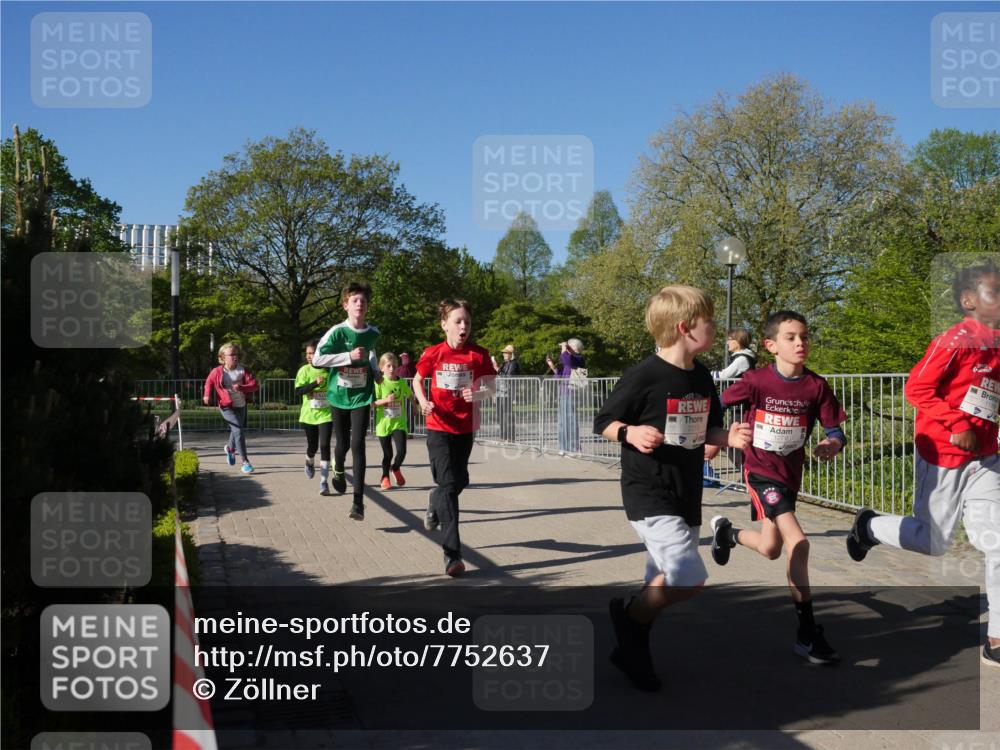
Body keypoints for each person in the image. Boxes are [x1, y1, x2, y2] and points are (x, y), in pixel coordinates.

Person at [594, 285, 752, 691]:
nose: (715, 327)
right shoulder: (644, 374)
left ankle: (632, 649)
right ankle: (629, 618)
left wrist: (729, 437)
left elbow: (709, 430)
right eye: (708, 320)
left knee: (662, 578)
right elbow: (604, 421)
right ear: (685, 327)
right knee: (687, 576)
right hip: (648, 491)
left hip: (687, 492)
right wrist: (629, 433)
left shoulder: (701, 376)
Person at [846, 263, 1000, 667]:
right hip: (943, 454)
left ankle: (997, 637)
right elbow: (916, 388)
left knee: (998, 542)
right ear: (969, 301)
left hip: (986, 458)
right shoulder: (954, 341)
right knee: (934, 542)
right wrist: (957, 424)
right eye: (995, 292)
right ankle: (869, 526)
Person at [709, 311, 848, 665]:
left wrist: (833, 443)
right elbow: (716, 405)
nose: (800, 343)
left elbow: (835, 430)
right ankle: (807, 635)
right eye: (791, 337)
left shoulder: (816, 386)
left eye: (804, 336)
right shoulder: (756, 380)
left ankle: (727, 533)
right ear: (771, 345)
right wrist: (718, 437)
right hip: (760, 472)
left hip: (790, 474)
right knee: (798, 542)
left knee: (770, 548)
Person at [413, 299, 496, 577]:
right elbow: (417, 380)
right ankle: (452, 555)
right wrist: (423, 401)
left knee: (459, 481)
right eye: (458, 321)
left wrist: (478, 393)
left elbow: (492, 387)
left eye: (467, 322)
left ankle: (435, 500)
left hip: (465, 427)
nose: (464, 327)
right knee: (449, 485)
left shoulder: (479, 354)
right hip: (438, 426)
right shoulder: (434, 353)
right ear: (444, 325)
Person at [312, 281, 381, 521]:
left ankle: (358, 503)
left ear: (368, 306)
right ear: (345, 305)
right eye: (355, 300)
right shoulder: (337, 332)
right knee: (342, 444)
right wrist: (347, 357)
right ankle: (338, 467)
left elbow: (371, 352)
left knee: (358, 444)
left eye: (363, 301)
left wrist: (375, 371)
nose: (359, 304)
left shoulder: (373, 333)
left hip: (362, 395)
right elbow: (317, 360)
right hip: (339, 395)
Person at [705, 329, 756, 486]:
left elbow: (724, 375)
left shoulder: (742, 359)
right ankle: (747, 478)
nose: (727, 342)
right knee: (732, 443)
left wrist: (703, 374)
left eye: (729, 339)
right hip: (737, 405)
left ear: (738, 341)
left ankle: (749, 479)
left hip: (740, 406)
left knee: (735, 444)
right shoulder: (741, 357)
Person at [203, 342, 260, 475]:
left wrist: (242, 387)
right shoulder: (217, 371)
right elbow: (209, 382)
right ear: (223, 357)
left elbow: (254, 385)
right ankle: (245, 462)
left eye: (236, 354)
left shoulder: (243, 370)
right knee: (238, 430)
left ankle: (230, 448)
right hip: (226, 405)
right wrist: (206, 395)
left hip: (241, 404)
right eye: (231, 355)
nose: (235, 357)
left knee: (236, 430)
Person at [294, 341, 333, 495]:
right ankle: (309, 461)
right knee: (313, 447)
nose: (310, 356)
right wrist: (314, 384)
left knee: (325, 446)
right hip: (309, 415)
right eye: (308, 353)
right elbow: (298, 391)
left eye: (313, 353)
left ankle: (324, 482)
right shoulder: (304, 370)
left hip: (326, 415)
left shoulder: (330, 371)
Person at [374, 352, 413, 490]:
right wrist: (385, 400)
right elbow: (372, 403)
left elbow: (410, 395)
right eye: (388, 366)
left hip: (399, 423)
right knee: (388, 454)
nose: (392, 369)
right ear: (381, 368)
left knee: (402, 451)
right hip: (383, 424)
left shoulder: (401, 382)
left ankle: (395, 468)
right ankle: (385, 477)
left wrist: (416, 407)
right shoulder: (379, 382)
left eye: (394, 366)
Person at [547, 338, 586, 453]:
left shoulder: (578, 359)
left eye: (568, 347)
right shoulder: (570, 361)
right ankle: (563, 447)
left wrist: (564, 348)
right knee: (562, 421)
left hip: (572, 393)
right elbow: (560, 377)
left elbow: (566, 359)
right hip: (564, 393)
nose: (563, 350)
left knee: (571, 421)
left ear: (574, 348)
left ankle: (574, 448)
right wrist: (552, 367)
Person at [491, 344, 521, 442]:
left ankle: (510, 437)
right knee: (500, 415)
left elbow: (508, 377)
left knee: (507, 415)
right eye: (503, 353)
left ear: (511, 354)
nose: (504, 354)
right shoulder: (504, 363)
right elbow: (499, 375)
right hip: (499, 392)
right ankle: (503, 436)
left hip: (507, 392)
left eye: (506, 353)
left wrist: (497, 368)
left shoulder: (513, 363)